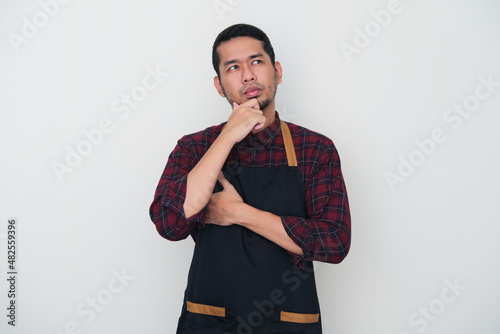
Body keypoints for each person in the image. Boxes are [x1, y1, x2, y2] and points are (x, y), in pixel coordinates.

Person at [149, 23, 351, 334]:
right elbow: (170, 223)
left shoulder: (315, 149)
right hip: (210, 322)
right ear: (219, 85)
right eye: (233, 67)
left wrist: (238, 213)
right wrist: (228, 136)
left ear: (277, 71)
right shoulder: (193, 148)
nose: (248, 75)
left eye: (256, 62)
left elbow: (335, 241)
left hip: (289, 324)